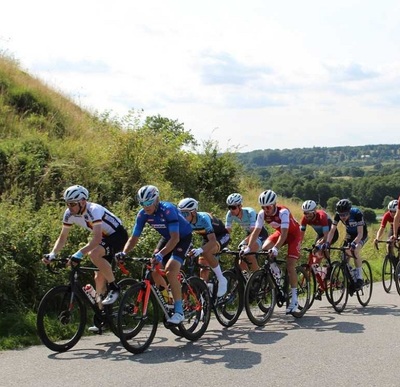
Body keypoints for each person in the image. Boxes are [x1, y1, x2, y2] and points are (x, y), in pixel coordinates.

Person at [43, 185, 128, 312]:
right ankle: (102, 316)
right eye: (67, 204)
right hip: (104, 239)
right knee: (98, 278)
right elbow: (62, 237)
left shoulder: (94, 210)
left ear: (82, 202)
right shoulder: (69, 214)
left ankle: (114, 287)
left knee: (94, 254)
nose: (69, 207)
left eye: (72, 204)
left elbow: (97, 238)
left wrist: (79, 253)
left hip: (118, 236)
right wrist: (53, 253)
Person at [115, 185, 193, 325]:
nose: (146, 207)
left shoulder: (168, 210)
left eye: (149, 203)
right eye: (142, 203)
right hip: (167, 237)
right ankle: (168, 299)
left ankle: (179, 311)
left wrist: (161, 254)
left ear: (156, 199)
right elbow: (134, 238)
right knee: (154, 268)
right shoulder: (142, 214)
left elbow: (175, 239)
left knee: (170, 270)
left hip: (182, 237)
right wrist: (124, 252)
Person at [242, 190, 302, 314]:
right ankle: (276, 271)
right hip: (280, 233)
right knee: (264, 248)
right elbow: (256, 231)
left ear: (274, 204)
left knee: (290, 265)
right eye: (263, 207)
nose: (266, 209)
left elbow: (285, 234)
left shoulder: (283, 212)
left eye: (268, 206)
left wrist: (276, 248)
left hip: (294, 235)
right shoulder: (262, 214)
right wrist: (248, 247)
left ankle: (295, 299)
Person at [177, 197, 229, 297]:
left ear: (193, 212)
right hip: (207, 237)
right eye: (180, 213)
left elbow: (213, 241)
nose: (182, 217)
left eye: (185, 214)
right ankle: (204, 298)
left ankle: (222, 279)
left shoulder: (204, 219)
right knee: (203, 268)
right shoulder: (185, 221)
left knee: (206, 253)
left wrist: (200, 250)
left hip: (221, 235)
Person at [325, 199, 368, 289]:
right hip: (350, 235)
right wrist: (328, 243)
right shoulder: (338, 215)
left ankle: (359, 277)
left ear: (349, 211)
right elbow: (332, 231)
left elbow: (360, 233)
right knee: (343, 255)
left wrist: (354, 243)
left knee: (355, 250)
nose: (343, 217)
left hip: (361, 234)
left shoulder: (357, 213)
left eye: (345, 214)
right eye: (341, 215)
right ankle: (350, 276)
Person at [225, 193, 268, 273]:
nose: (231, 210)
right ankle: (248, 280)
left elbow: (254, 231)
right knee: (240, 259)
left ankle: (257, 278)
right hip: (250, 235)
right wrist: (224, 244)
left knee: (249, 254)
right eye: (229, 207)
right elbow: (227, 231)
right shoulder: (230, 214)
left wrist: (245, 242)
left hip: (260, 234)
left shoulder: (250, 212)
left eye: (233, 207)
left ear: (240, 206)